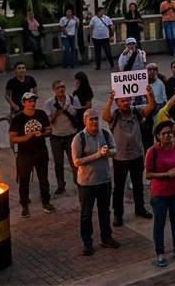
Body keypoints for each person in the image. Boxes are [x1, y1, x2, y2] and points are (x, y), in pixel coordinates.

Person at [71, 109, 121, 255]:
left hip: (104, 180)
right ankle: (87, 242)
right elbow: (76, 161)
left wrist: (108, 152)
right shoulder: (79, 138)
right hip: (87, 183)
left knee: (105, 211)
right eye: (91, 119)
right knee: (86, 214)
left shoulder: (105, 133)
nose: (94, 122)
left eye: (96, 119)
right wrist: (98, 155)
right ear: (85, 121)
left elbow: (114, 150)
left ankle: (106, 237)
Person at [104, 88, 156, 226]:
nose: (126, 103)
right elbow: (105, 117)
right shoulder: (114, 115)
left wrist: (150, 95)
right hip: (120, 156)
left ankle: (140, 208)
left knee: (138, 184)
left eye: (128, 100)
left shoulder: (136, 111)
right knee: (119, 187)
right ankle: (118, 214)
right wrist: (109, 100)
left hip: (136, 154)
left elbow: (149, 108)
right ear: (117, 102)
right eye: (122, 101)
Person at [144, 120, 175, 267]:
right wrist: (165, 174)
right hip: (159, 194)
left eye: (169, 132)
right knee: (159, 223)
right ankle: (160, 252)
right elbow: (148, 174)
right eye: (164, 133)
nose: (167, 135)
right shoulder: (153, 152)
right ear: (158, 136)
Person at [9, 92, 55, 216]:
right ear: (23, 102)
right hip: (24, 155)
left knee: (44, 180)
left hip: (41, 153)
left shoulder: (41, 114)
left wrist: (43, 134)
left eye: (34, 101)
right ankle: (24, 206)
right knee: (24, 181)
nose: (32, 103)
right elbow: (13, 138)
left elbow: (49, 129)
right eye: (29, 101)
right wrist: (27, 137)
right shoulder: (18, 118)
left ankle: (46, 202)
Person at [44, 80, 83, 194]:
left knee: (74, 161)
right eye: (58, 87)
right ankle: (61, 185)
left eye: (62, 86)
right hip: (56, 136)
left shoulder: (72, 100)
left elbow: (79, 113)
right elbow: (49, 121)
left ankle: (78, 183)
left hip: (71, 135)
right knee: (58, 163)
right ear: (54, 90)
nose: (61, 89)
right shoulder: (49, 103)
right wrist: (57, 113)